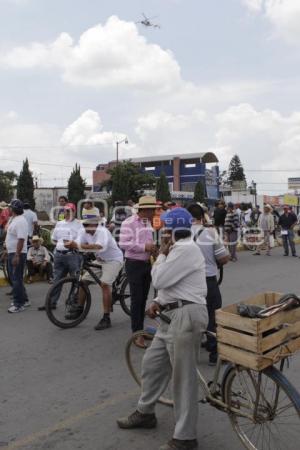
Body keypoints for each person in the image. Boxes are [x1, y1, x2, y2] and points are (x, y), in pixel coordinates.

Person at [117, 208, 208, 450]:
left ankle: (185, 437)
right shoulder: (177, 249)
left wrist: (159, 256)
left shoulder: (185, 249)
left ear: (174, 230)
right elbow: (170, 286)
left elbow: (159, 280)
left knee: (183, 379)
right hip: (171, 315)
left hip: (186, 316)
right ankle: (145, 412)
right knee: (151, 365)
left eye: (165, 230)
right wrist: (158, 301)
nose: (161, 234)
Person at [187, 203, 229, 365]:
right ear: (202, 216)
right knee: (212, 316)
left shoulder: (181, 234)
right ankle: (214, 353)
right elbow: (223, 258)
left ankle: (192, 349)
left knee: (192, 315)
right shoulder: (211, 233)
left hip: (188, 282)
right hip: (208, 281)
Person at [65, 219, 124, 330]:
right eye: (84, 224)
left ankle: (106, 318)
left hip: (113, 260)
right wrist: (70, 244)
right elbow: (77, 242)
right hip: (100, 260)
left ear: (95, 224)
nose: (85, 226)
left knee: (105, 284)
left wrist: (78, 246)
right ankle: (79, 310)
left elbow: (98, 247)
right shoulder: (84, 231)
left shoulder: (103, 232)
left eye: (87, 224)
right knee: (83, 282)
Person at [119, 196, 157, 348]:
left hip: (147, 263)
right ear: (145, 210)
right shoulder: (128, 223)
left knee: (143, 299)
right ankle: (136, 334)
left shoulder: (148, 223)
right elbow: (123, 243)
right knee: (137, 300)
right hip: (134, 264)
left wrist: (153, 249)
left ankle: (140, 331)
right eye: (152, 209)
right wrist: (144, 247)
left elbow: (149, 241)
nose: (154, 212)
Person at [38, 203, 84, 311]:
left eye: (69, 211)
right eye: (65, 210)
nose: (67, 213)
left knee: (75, 280)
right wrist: (59, 245)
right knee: (56, 280)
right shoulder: (59, 223)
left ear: (74, 211)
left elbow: (81, 239)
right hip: (59, 255)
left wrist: (71, 243)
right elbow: (54, 238)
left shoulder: (78, 224)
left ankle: (73, 303)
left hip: (72, 255)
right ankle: (52, 302)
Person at [5, 199, 30, 313]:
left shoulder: (20, 221)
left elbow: (21, 239)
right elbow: (12, 237)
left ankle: (18, 304)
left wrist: (16, 255)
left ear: (14, 209)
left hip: (17, 253)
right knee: (16, 278)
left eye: (10, 207)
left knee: (16, 279)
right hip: (12, 252)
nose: (9, 209)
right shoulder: (15, 219)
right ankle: (24, 300)